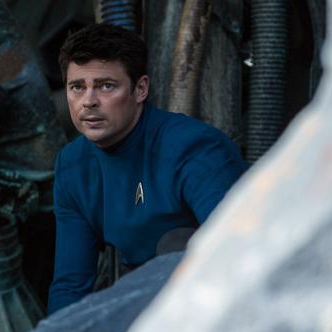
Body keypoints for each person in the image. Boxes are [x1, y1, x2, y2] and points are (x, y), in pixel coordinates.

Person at [46, 23, 248, 315]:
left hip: (217, 299)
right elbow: (71, 285)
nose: (88, 101)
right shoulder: (72, 166)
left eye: (106, 86)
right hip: (143, 297)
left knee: (176, 242)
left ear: (140, 89)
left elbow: (238, 255)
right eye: (77, 87)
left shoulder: (195, 149)